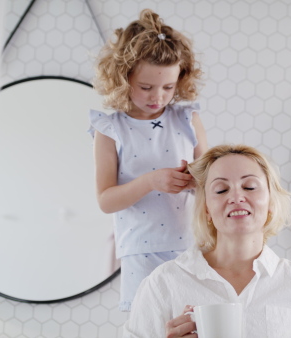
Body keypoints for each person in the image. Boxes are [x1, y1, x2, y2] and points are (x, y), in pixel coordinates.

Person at [123, 144, 291, 337]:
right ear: (207, 209)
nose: (236, 197)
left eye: (250, 187)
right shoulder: (163, 284)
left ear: (271, 204)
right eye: (221, 190)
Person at [88, 9, 208, 312]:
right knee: (149, 325)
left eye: (168, 87)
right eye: (146, 87)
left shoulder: (187, 119)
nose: (158, 96)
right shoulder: (110, 130)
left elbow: (211, 180)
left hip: (190, 247)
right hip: (140, 250)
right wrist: (151, 181)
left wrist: (197, 180)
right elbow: (106, 201)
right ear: (122, 77)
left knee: (193, 323)